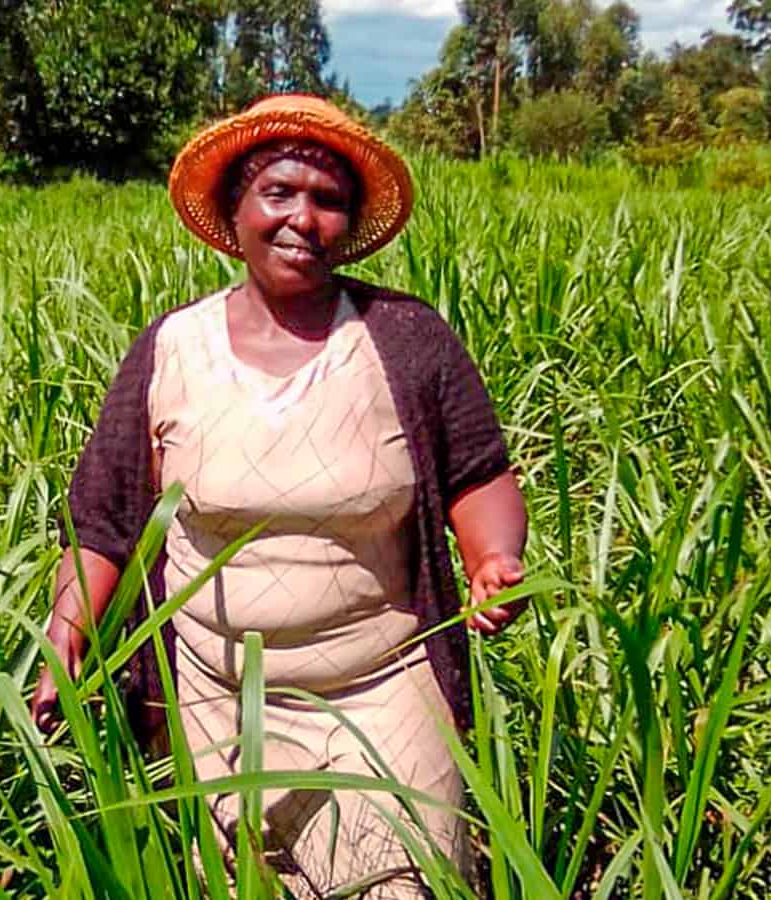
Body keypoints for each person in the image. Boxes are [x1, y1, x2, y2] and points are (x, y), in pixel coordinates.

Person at [30, 94, 528, 898]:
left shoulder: (404, 337)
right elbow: (106, 519)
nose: (305, 218)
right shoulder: (171, 348)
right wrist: (67, 635)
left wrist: (494, 559)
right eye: (280, 193)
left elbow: (477, 471)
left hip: (379, 687)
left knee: (407, 881)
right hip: (215, 700)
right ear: (235, 210)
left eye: (329, 200)